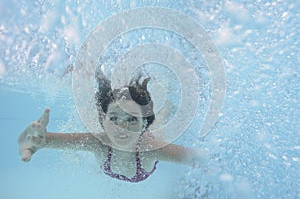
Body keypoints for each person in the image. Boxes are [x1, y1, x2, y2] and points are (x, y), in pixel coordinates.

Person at [18, 71, 208, 183]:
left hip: (148, 136)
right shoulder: (97, 142)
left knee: (161, 121)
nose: (122, 128)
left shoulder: (150, 149)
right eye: (114, 118)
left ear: (143, 125)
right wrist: (40, 140)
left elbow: (200, 159)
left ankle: (165, 104)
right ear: (103, 120)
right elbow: (48, 140)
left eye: (132, 120)